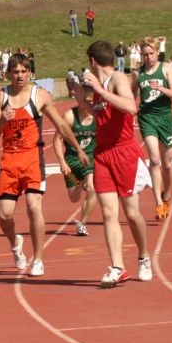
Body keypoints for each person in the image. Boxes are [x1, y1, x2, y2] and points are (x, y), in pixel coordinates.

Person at [0, 54, 89, 277]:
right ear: (8, 74)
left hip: (32, 157)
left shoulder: (39, 95)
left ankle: (38, 259)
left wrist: (78, 149)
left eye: (24, 71)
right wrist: (3, 120)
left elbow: (61, 125)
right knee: (4, 216)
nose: (20, 75)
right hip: (9, 159)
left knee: (34, 207)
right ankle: (16, 243)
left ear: (29, 73)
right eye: (15, 72)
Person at [72, 40, 152, 288]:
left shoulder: (117, 78)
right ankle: (117, 267)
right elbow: (101, 116)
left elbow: (130, 107)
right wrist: (82, 99)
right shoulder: (96, 90)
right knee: (108, 212)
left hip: (124, 151)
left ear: (93, 62)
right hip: (102, 154)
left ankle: (143, 256)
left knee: (131, 213)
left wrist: (99, 88)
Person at [133, 37, 172, 220]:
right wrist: (129, 111)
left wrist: (160, 88)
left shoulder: (166, 68)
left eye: (151, 53)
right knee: (154, 159)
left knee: (167, 165)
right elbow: (131, 93)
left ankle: (166, 193)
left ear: (157, 53)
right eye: (145, 54)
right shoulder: (137, 73)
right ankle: (158, 203)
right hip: (147, 117)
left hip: (165, 118)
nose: (148, 57)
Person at [53, 81, 97, 237]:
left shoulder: (97, 116)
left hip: (90, 158)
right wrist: (61, 162)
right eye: (84, 101)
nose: (87, 105)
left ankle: (82, 223)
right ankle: (79, 183)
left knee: (92, 189)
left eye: (91, 102)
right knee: (74, 197)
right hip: (72, 160)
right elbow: (57, 140)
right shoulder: (70, 116)